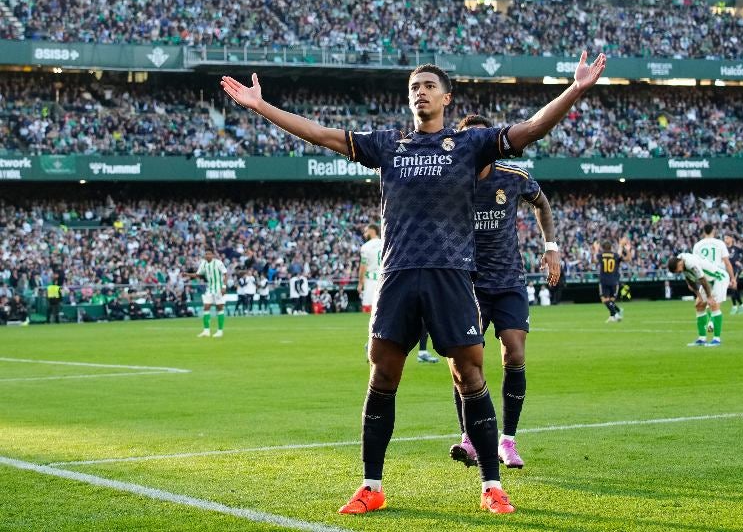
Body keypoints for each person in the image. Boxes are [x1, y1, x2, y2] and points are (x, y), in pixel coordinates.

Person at [221, 51, 606, 515]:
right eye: (413, 88)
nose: (419, 92)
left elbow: (531, 128)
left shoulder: (471, 144)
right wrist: (262, 107)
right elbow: (322, 135)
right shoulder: (388, 144)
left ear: (447, 97)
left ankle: (491, 486)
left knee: (471, 376)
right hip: (398, 276)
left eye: (427, 86)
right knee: (382, 376)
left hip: (451, 276)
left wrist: (575, 90)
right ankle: (371, 486)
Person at [448, 114, 561, 471]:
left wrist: (552, 246)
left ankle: (507, 441)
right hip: (468, 284)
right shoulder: (451, 182)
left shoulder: (513, 179)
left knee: (514, 354)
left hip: (509, 281)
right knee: (466, 362)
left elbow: (542, 203)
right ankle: (469, 438)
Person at [667, 252, 730, 347]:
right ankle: (702, 338)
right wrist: (699, 296)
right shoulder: (680, 261)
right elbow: (689, 279)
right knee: (699, 305)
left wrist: (708, 297)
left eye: (678, 271)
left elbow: (703, 280)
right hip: (708, 282)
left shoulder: (690, 263)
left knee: (714, 305)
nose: (678, 272)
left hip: (718, 278)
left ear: (680, 264)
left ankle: (716, 339)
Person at [693, 224, 736, 330]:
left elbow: (695, 264)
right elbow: (727, 262)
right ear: (714, 231)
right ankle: (712, 323)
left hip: (704, 278)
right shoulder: (720, 243)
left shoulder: (697, 245)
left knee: (701, 304)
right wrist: (733, 278)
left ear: (703, 232)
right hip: (717, 275)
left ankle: (709, 324)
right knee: (716, 303)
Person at [185, 248, 227, 338]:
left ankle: (220, 331)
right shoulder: (203, 263)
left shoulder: (218, 263)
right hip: (210, 288)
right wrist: (188, 275)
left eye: (209, 254)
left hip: (218, 288)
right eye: (206, 254)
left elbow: (225, 274)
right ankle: (206, 331)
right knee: (206, 307)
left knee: (219, 308)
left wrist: (224, 287)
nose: (207, 255)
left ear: (213, 255)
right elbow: (198, 274)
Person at [594, 238, 631, 323]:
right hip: (614, 280)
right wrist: (627, 249)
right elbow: (628, 259)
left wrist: (596, 249)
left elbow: (594, 260)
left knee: (604, 300)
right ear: (611, 247)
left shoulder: (601, 255)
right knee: (611, 300)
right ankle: (613, 315)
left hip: (604, 280)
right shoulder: (615, 255)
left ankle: (616, 313)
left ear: (602, 248)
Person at [357, 224, 382, 313]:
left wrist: (360, 283)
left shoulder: (366, 246)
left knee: (368, 308)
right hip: (384, 279)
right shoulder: (385, 243)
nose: (364, 234)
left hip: (371, 280)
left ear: (372, 231)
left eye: (366, 231)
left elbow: (363, 266)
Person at [723, 234, 743, 314]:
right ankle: (741, 304)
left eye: (727, 238)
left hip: (736, 269)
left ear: (731, 239)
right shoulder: (724, 249)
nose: (725, 240)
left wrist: (740, 261)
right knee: (733, 288)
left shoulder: (736, 248)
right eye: (725, 238)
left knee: (733, 287)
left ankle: (734, 306)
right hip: (727, 270)